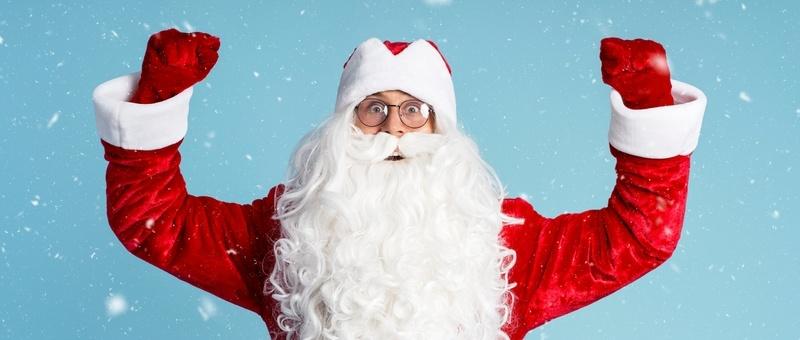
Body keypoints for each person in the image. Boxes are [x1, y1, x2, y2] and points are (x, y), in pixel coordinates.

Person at [92, 29, 706, 340]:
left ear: (443, 128)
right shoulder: (285, 236)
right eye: (373, 109)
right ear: (343, 126)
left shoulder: (503, 246)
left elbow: (637, 239)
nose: (394, 129)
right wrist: (159, 101)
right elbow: (155, 225)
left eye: (415, 110)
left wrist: (646, 109)